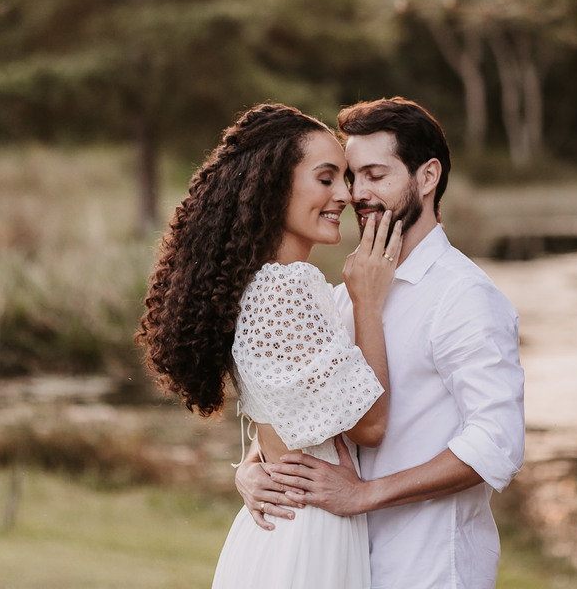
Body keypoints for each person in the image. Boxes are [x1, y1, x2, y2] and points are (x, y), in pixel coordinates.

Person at [236, 97, 526, 589]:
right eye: (352, 177)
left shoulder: (464, 297)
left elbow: (497, 443)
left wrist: (364, 495)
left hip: (429, 568)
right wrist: (252, 468)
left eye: (375, 175)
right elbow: (308, 407)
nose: (356, 194)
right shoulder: (346, 294)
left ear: (427, 177)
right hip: (341, 563)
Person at [135, 103, 403, 589]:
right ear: (274, 187)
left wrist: (250, 465)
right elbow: (371, 425)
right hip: (308, 531)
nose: (345, 195)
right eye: (326, 178)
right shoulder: (287, 288)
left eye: (344, 179)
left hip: (284, 525)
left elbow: (290, 417)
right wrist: (367, 302)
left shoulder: (256, 285)